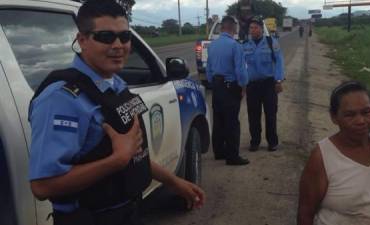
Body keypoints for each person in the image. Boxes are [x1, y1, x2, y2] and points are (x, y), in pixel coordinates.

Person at [28, 1, 205, 225]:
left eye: (125, 36)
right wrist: (117, 160)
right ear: (82, 40)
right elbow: (43, 186)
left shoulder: (116, 84)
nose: (119, 45)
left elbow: (134, 155)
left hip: (128, 211)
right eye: (105, 36)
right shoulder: (60, 99)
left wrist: (174, 182)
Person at [297, 81, 370, 225]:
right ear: (334, 117)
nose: (360, 121)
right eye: (350, 115)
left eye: (366, 112)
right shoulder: (322, 157)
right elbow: (305, 212)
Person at [206, 16, 249, 166]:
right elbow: (240, 71)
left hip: (217, 87)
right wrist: (243, 87)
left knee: (218, 121)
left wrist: (213, 83)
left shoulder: (213, 45)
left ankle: (219, 152)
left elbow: (209, 69)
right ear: (234, 28)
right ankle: (232, 157)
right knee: (232, 123)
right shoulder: (235, 46)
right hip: (230, 87)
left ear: (221, 28)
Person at [242, 17, 285, 152]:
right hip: (252, 85)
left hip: (269, 85)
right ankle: (255, 142)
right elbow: (241, 66)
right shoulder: (245, 44)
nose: (253, 30)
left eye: (255, 27)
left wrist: (278, 80)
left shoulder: (271, 42)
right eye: (251, 28)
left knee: (271, 114)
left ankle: (272, 142)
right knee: (253, 115)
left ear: (261, 28)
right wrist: (242, 84)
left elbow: (279, 62)